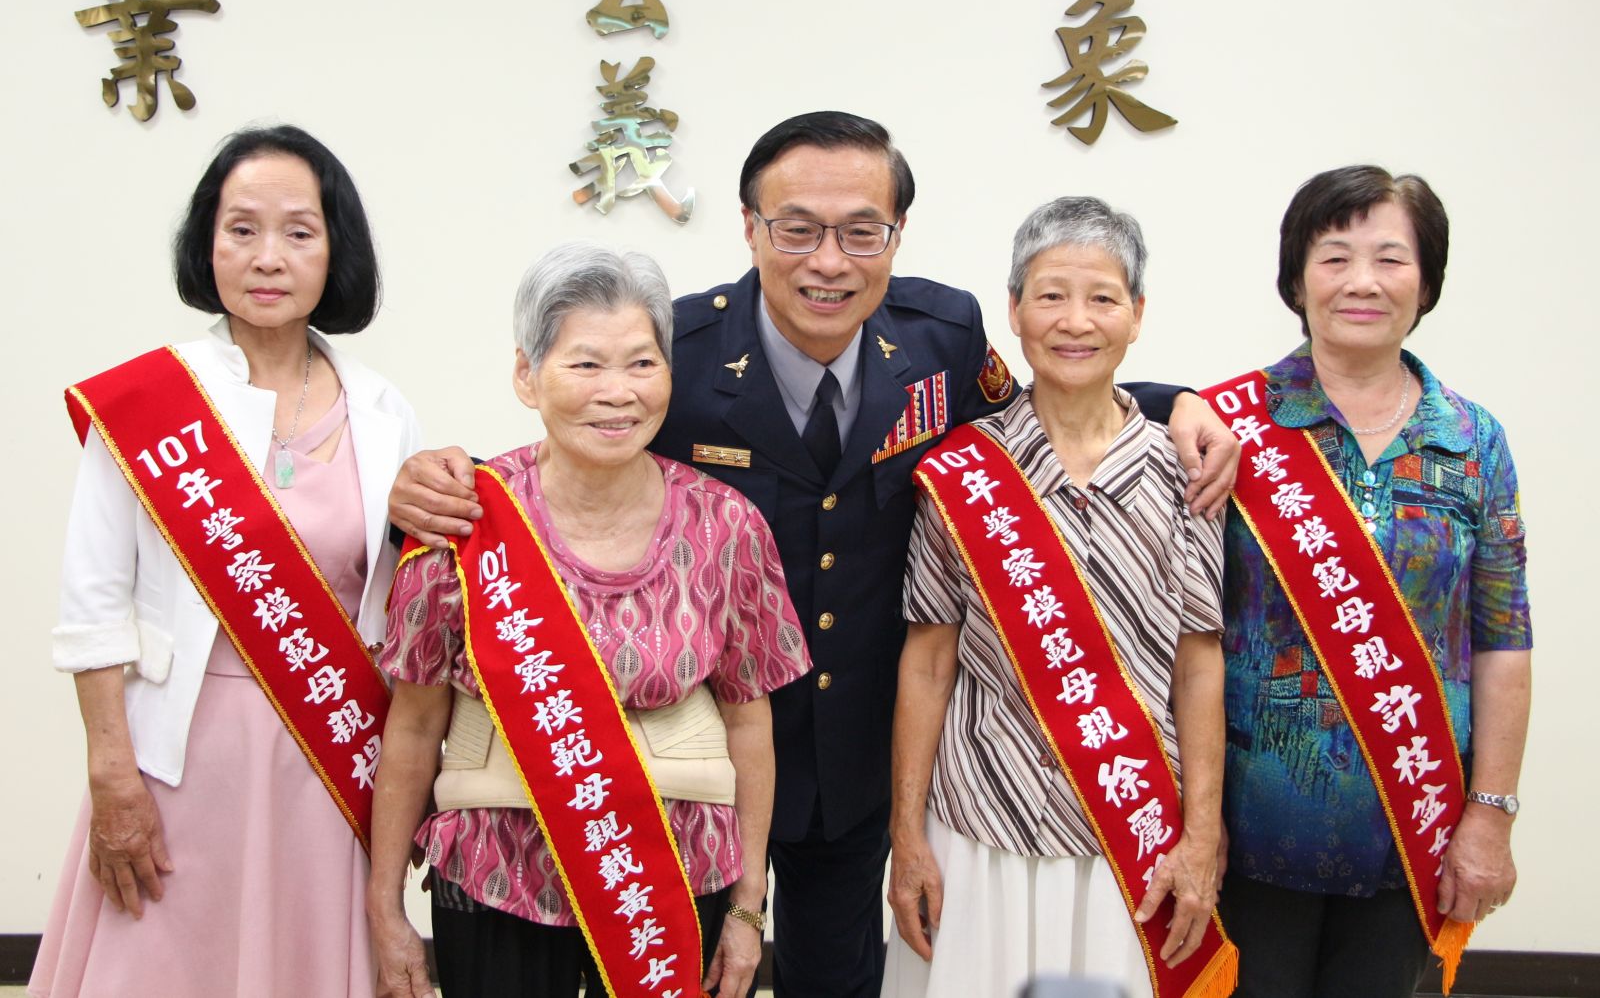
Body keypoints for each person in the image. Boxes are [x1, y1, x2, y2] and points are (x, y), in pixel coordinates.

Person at [386, 111, 1240, 997]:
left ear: (896, 235)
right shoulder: (676, 349)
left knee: (836, 979)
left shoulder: (941, 336)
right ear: (750, 228)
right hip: (701, 758)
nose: (829, 261)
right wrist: (436, 479)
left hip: (860, 752)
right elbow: (581, 446)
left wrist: (1173, 398)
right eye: (796, 228)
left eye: (861, 231)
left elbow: (1044, 395)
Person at [31, 125, 421, 998]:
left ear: (335, 251)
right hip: (177, 760)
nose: (268, 256)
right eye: (241, 229)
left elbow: (397, 603)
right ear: (206, 244)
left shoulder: (384, 410)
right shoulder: (145, 402)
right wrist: (110, 772)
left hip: (327, 755)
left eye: (298, 231)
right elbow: (93, 605)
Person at [365, 241, 810, 998]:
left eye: (642, 363)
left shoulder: (726, 524)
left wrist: (747, 906)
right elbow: (411, 725)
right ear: (526, 376)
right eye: (585, 364)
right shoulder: (465, 519)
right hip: (495, 873)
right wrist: (384, 905)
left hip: (672, 885)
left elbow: (750, 721)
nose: (619, 391)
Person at [884, 197, 1232, 998]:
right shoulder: (962, 470)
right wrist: (908, 833)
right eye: (1050, 296)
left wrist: (1203, 833)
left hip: (1127, 827)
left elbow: (1198, 663)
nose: (1076, 321)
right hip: (978, 823)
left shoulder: (1190, 474)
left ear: (1137, 315)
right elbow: (929, 661)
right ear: (1013, 310)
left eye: (1103, 298)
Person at [1212, 166, 1532, 998]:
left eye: (1391, 258)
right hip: (1246, 832)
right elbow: (1183, 634)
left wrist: (1491, 814)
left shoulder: (1472, 440)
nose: (1361, 281)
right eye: (1334, 256)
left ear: (1425, 283)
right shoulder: (1227, 427)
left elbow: (1502, 640)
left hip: (1411, 823)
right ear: (1296, 278)